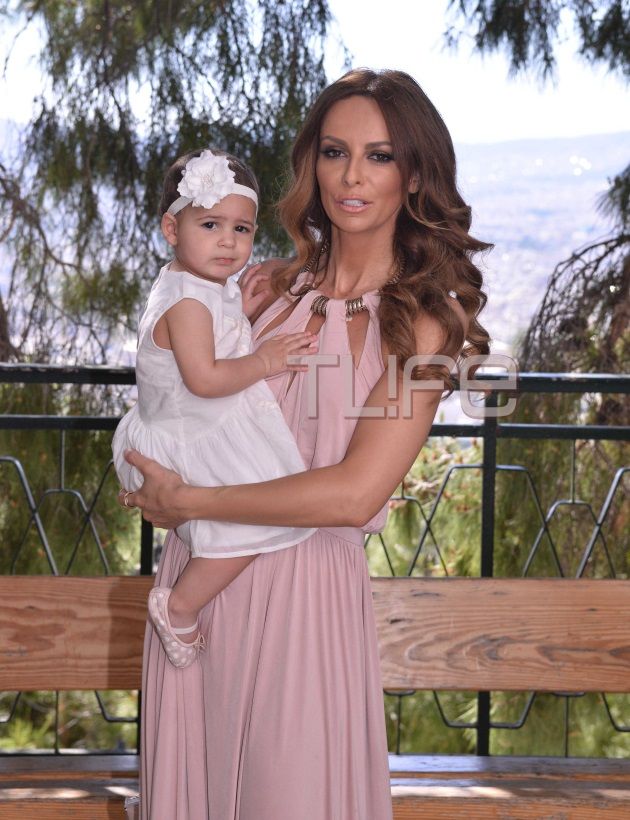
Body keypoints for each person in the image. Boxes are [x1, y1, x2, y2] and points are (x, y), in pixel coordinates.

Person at [120, 68, 490, 820]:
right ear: (311, 163)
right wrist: (160, 484)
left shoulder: (426, 326)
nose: (351, 176)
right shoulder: (259, 290)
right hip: (198, 598)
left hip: (307, 608)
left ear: (415, 174)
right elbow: (173, 402)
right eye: (334, 152)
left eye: (380, 156)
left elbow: (354, 495)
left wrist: (190, 499)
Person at [112, 147, 318, 668]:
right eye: (210, 225)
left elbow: (210, 335)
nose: (228, 241)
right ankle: (180, 603)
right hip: (184, 440)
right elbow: (204, 380)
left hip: (186, 426)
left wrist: (238, 313)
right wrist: (266, 360)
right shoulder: (187, 300)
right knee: (254, 517)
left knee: (261, 507)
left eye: (241, 229)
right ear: (172, 228)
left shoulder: (199, 286)